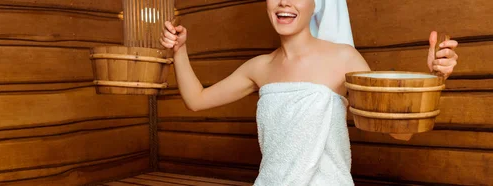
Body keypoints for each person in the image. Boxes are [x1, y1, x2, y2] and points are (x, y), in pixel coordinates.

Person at [160, 0, 459, 185]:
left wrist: (434, 78)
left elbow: (400, 132)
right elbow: (196, 100)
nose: (284, 2)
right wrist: (179, 50)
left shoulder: (345, 60)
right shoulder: (259, 67)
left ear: (316, 3)